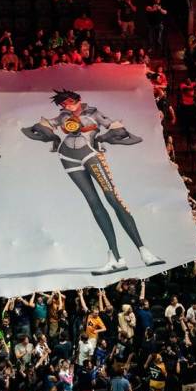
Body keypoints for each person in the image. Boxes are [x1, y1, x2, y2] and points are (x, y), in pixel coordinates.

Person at [21, 89, 165, 275]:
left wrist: (102, 137)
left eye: (70, 102)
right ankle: (116, 257)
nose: (67, 106)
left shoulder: (93, 112)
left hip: (91, 155)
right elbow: (36, 128)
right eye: (63, 104)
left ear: (79, 100)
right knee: (94, 203)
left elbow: (118, 130)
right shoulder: (63, 116)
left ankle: (144, 251)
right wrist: (51, 134)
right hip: (68, 157)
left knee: (113, 199)